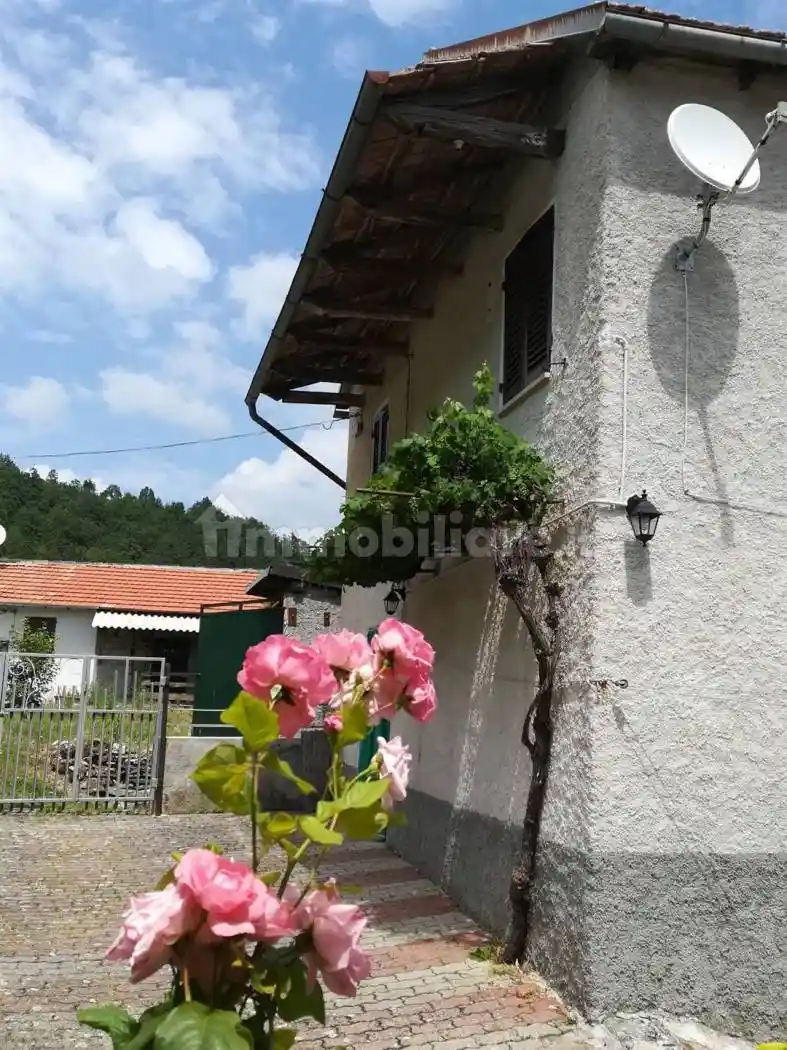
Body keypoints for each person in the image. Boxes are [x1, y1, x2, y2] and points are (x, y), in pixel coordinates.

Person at [358, 627, 390, 841]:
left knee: (379, 766)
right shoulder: (371, 670)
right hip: (373, 719)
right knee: (373, 764)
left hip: (379, 720)